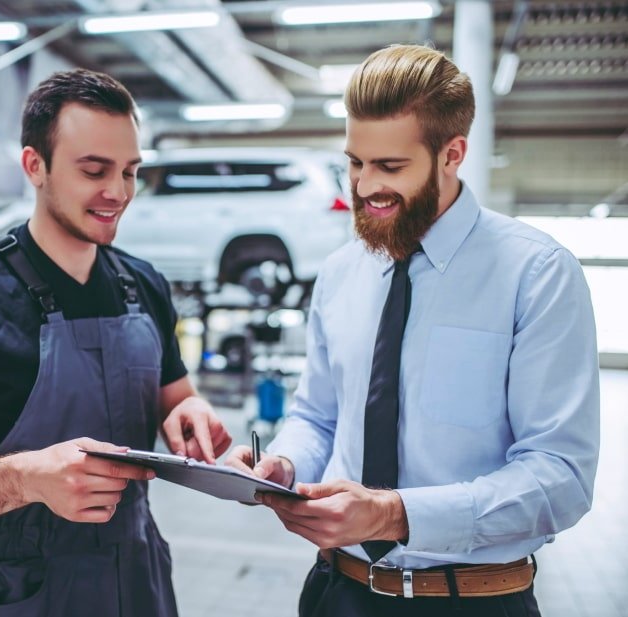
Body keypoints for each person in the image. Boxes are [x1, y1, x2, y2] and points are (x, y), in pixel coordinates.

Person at [227, 44, 599, 617]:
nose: (364, 186)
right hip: (336, 593)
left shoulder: (537, 274)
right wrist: (285, 463)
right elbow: (318, 416)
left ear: (452, 154)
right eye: (355, 162)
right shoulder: (340, 272)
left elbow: (561, 477)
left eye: (390, 167)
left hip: (469, 602)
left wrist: (394, 513)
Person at [0, 68, 231, 617]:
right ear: (35, 166)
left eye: (129, 171)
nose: (118, 192)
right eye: (94, 170)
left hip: (139, 579)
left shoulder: (144, 285)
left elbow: (177, 396)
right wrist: (26, 478)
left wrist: (191, 411)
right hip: (21, 591)